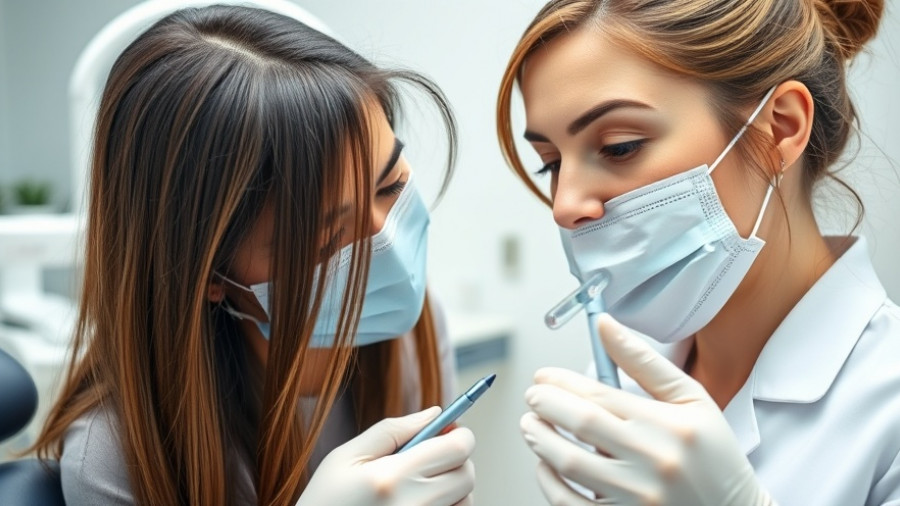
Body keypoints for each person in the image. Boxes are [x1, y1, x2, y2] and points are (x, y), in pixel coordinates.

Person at [29, 5, 474, 506]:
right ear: (211, 275)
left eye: (391, 185)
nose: (387, 240)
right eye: (327, 240)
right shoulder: (113, 459)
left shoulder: (413, 336)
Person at [497, 0, 900, 504]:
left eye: (620, 145)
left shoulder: (889, 398)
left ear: (781, 127)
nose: (565, 205)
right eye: (550, 163)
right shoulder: (614, 385)